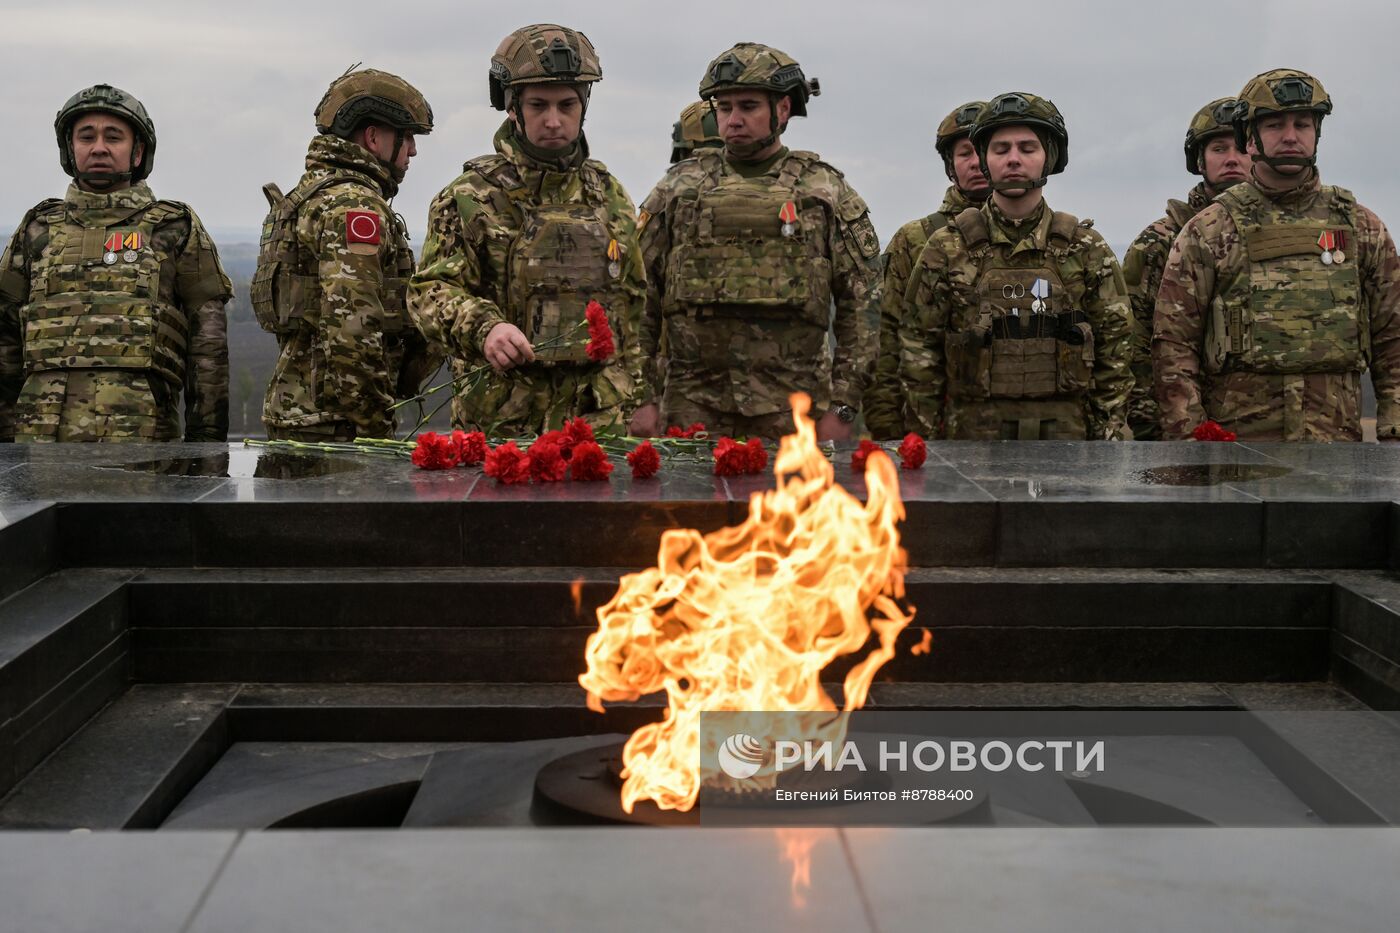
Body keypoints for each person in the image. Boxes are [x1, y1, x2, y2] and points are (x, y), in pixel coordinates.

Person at [631, 42, 880, 441]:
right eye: (724, 108)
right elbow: (637, 295)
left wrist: (844, 406)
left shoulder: (824, 190)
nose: (733, 120)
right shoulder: (678, 188)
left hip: (796, 410)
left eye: (748, 106)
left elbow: (863, 307)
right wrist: (642, 397)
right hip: (691, 407)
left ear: (782, 110)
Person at [408, 24, 644, 436]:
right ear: (512, 107)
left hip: (597, 423)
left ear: (583, 106)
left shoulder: (609, 196)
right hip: (503, 424)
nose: (554, 121)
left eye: (566, 105)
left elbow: (635, 303)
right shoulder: (471, 196)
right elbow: (429, 292)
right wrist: (485, 329)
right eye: (539, 105)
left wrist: (638, 397)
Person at [1154, 69, 1400, 441]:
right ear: (1249, 138)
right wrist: (1191, 442)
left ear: (1317, 133)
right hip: (1238, 454)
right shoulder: (1209, 231)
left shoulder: (1362, 227)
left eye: (1303, 124)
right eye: (1274, 125)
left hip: (1337, 449)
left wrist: (1393, 429)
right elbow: (1174, 347)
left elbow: (1392, 338)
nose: (1290, 136)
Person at [0, 84, 231, 442]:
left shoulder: (173, 228)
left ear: (137, 151)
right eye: (86, 136)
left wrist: (208, 448)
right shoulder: (37, 229)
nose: (99, 148)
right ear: (70, 148)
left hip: (145, 447)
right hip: (39, 449)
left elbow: (208, 350)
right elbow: (5, 344)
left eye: (114, 137)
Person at [899, 91, 1133, 440]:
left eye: (1027, 148)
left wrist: (1107, 441)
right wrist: (927, 446)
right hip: (971, 447)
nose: (1013, 159)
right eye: (1000, 149)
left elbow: (1117, 350)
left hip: (1070, 446)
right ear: (984, 158)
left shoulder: (1086, 248)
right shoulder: (947, 248)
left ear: (1048, 157)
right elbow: (919, 351)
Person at [255, 68, 438, 441]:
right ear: (373, 138)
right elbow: (352, 331)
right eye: (406, 138)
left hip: (300, 415)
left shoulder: (311, 195)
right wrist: (376, 425)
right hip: (334, 427)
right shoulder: (354, 208)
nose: (413, 150)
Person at [1122, 98, 1246, 440]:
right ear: (1200, 160)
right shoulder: (1159, 241)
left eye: (1240, 147)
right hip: (1180, 426)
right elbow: (1133, 341)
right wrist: (1150, 426)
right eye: (1219, 148)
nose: (1232, 159)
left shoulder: (1277, 233)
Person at [865, 100, 990, 439]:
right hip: (937, 425)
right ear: (951, 165)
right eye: (965, 153)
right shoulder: (916, 239)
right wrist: (888, 427)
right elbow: (884, 335)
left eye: (984, 149)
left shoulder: (1045, 237)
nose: (977, 162)